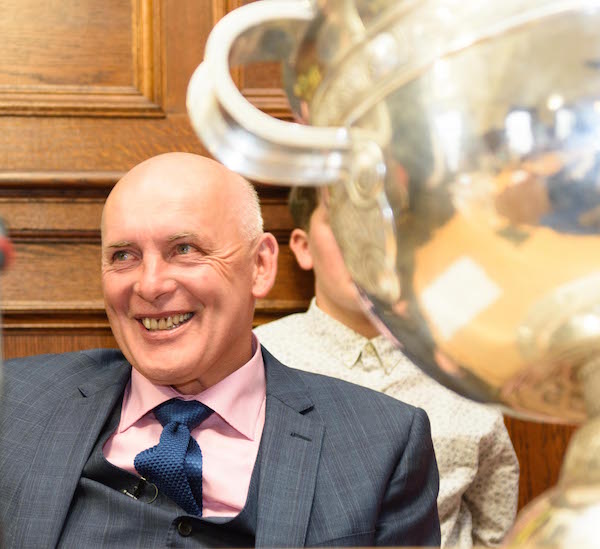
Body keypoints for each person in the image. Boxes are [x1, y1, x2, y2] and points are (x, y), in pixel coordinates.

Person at [0, 153, 441, 548]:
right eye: (123, 256)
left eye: (185, 249)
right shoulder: (14, 403)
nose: (150, 285)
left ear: (261, 266)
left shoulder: (381, 446)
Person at [255, 186, 520, 548]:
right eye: (345, 221)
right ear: (303, 246)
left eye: (389, 220)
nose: (369, 241)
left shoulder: (467, 374)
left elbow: (494, 528)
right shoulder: (255, 361)